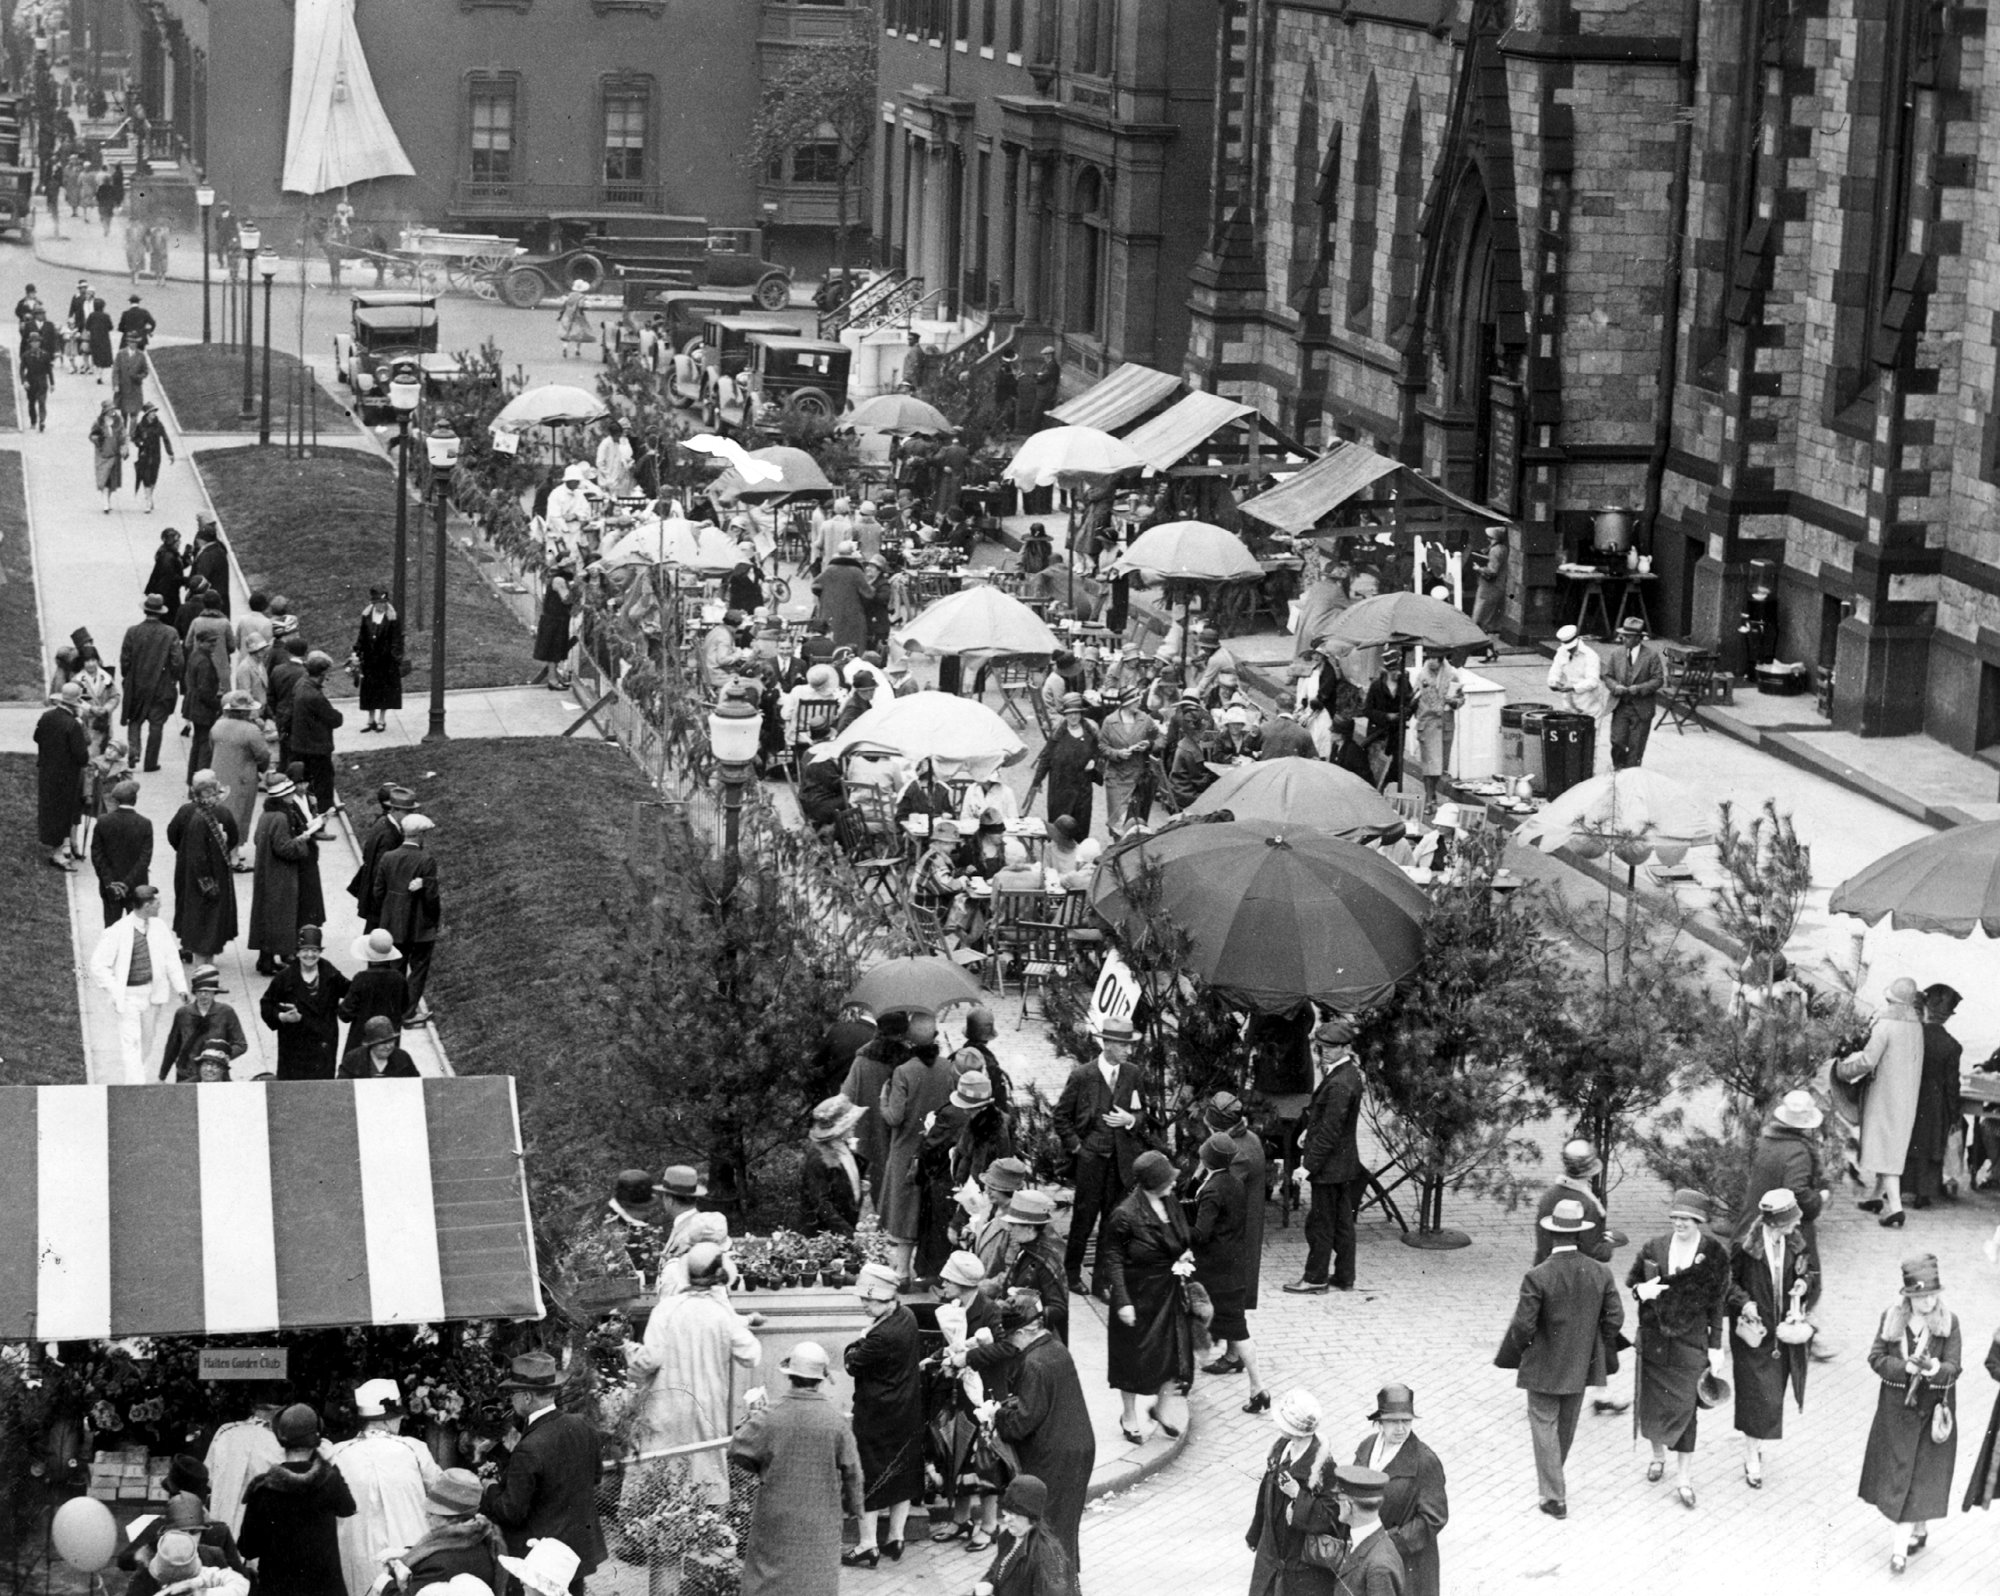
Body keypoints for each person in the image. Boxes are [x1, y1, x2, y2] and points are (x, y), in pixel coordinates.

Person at [1501, 1196, 1626, 1519]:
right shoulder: (1600, 1272)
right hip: (1581, 1365)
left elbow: (1522, 1326)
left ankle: (1554, 1496)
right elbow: (1615, 1318)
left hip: (1543, 1365)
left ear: (1553, 1235)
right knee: (1565, 1428)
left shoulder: (1538, 1276)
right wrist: (1593, 1343)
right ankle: (1553, 1485)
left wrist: (1529, 1347)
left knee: (1543, 1425)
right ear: (1580, 1235)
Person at [624, 1242, 762, 1504]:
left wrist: (629, 1351)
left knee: (663, 1469)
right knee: (704, 1469)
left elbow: (650, 1360)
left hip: (666, 1404)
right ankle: (705, 1531)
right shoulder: (721, 1314)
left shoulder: (665, 1310)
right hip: (705, 1406)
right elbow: (751, 1355)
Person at [728, 1342, 864, 1596]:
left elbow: (737, 1449)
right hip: (821, 1520)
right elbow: (853, 1472)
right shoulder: (835, 1421)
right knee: (816, 1580)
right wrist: (854, 1507)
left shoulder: (771, 1415)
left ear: (790, 1376)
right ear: (821, 1380)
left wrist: (761, 1465)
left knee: (767, 1580)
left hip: (776, 1516)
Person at [1626, 1189, 1729, 1507]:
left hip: (1691, 1344)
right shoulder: (1653, 1248)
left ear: (1699, 1220)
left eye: (1686, 1218)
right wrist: (1642, 1290)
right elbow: (1632, 1283)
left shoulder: (1713, 1254)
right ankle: (1657, 1456)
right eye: (1675, 1217)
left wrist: (1715, 1345)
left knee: (1687, 1410)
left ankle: (1684, 1479)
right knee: (1654, 1406)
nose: (1679, 1223)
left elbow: (1718, 1303)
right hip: (1655, 1341)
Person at [1859, 1252, 1961, 1573]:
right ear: (1908, 1296)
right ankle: (1909, 1539)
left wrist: (1933, 1369)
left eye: (1933, 1294)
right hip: (1897, 1412)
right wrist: (1904, 1367)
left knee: (1922, 1474)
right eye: (1921, 1296)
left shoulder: (1949, 1322)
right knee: (1904, 1473)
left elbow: (1954, 1368)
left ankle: (1907, 1540)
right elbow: (1876, 1358)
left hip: (1931, 1412)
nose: (1929, 1302)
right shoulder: (1891, 1318)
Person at [479, 1351, 609, 1584]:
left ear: (527, 1397)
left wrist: (490, 1487)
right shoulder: (582, 1426)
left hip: (540, 1561)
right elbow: (596, 1477)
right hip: (574, 1553)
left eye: (513, 1394)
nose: (511, 1400)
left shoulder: (529, 1447)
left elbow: (511, 1512)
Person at [988, 1289, 1093, 1568]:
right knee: (1064, 1524)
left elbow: (1024, 1422)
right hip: (1077, 1449)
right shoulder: (1056, 1348)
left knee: (1047, 1525)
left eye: (1011, 1337)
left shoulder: (1034, 1362)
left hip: (1054, 1457)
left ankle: (1055, 1583)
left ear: (1022, 1331)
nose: (1012, 1344)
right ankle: (1063, 1578)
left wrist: (998, 1416)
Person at [1725, 1188, 1818, 1488]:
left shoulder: (1795, 1241)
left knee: (1772, 1393)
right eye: (1789, 1223)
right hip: (1754, 1333)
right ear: (1774, 1224)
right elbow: (1728, 1282)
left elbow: (1808, 1272)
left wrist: (1802, 1286)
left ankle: (1756, 1443)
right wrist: (1744, 1302)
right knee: (1756, 1395)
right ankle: (1752, 1456)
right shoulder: (1745, 1245)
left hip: (1782, 1333)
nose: (1795, 1227)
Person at [1103, 1149, 1194, 1442]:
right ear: (1152, 1183)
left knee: (1173, 1356)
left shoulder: (1170, 1202)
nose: (1173, 1185)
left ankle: (1161, 1409)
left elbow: (1180, 1238)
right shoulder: (1125, 1216)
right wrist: (1122, 1301)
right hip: (1138, 1295)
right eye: (1167, 1180)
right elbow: (1114, 1257)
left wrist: (1184, 1256)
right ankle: (1129, 1416)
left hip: (1167, 1294)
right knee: (1131, 1359)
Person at [1054, 1015, 1147, 1294]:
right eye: (1123, 1046)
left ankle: (1101, 1282)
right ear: (1107, 1044)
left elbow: (1143, 1113)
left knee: (1112, 1222)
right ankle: (1071, 1276)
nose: (1129, 1051)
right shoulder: (1083, 1076)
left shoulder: (1132, 1074)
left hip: (1119, 1163)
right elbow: (1060, 1117)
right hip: (1090, 1161)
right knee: (1083, 1220)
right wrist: (1078, 1148)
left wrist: (1130, 1120)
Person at [841, 1263, 925, 1565]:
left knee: (869, 1475)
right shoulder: (908, 1317)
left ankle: (867, 1544)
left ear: (887, 1299)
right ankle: (896, 1538)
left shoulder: (879, 1337)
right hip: (906, 1411)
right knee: (900, 1474)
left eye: (869, 1300)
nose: (864, 1305)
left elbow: (852, 1362)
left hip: (876, 1415)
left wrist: (861, 1338)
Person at [329, 1378, 437, 1596]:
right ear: (388, 1420)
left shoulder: (337, 1453)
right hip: (410, 1551)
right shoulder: (414, 1449)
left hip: (358, 1556)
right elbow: (438, 1491)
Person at [238, 1404, 356, 1596]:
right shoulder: (329, 1480)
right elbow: (348, 1508)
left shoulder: (263, 1488)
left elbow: (248, 1549)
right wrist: (327, 1463)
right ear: (316, 1438)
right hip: (324, 1590)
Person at [1189, 1130, 1268, 1414]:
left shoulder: (1212, 1190)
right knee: (1236, 1328)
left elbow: (1201, 1233)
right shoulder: (1234, 1182)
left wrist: (1175, 1230)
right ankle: (1257, 1388)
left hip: (1214, 1272)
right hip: (1232, 1266)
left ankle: (1258, 1386)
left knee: (1232, 1328)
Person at [1287, 1016, 1367, 1294]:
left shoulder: (1339, 1082)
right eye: (1322, 1046)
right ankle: (1345, 1276)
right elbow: (1331, 1121)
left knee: (1320, 1225)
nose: (1325, 1052)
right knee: (1343, 1223)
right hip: (1343, 1165)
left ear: (1346, 1048)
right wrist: (1309, 1131)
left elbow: (1332, 1132)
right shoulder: (1345, 1074)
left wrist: (1306, 1167)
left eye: (1332, 1047)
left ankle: (1315, 1277)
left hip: (1329, 1167)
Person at [877, 1012, 957, 1279]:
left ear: (909, 1041)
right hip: (937, 1151)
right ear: (936, 1038)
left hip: (905, 1151)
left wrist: (883, 1100)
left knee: (904, 1214)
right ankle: (926, 1271)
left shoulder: (903, 1072)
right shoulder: (948, 1067)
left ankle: (901, 1272)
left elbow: (894, 1117)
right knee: (926, 1211)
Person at [1852, 976, 1929, 1226]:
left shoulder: (1885, 1026)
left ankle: (1895, 1208)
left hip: (1883, 1095)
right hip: (1907, 1097)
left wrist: (1843, 1068)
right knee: (1890, 1146)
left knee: (1884, 1149)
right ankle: (1876, 1196)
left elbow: (1867, 1060)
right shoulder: (1917, 1026)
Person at [90, 886, 187, 1083]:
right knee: (131, 1041)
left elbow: (171, 959)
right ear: (146, 906)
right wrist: (115, 988)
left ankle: (137, 1075)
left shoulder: (158, 926)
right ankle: (135, 1085)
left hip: (153, 994)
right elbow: (98, 965)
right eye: (156, 903)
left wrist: (181, 988)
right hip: (129, 996)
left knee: (147, 1041)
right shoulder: (118, 930)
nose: (160, 905)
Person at [1245, 1389, 1325, 1596]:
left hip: (1298, 1568)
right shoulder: (1282, 1448)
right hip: (1270, 1553)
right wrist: (1255, 1532)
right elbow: (1266, 1493)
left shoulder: (1322, 1466)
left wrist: (1298, 1495)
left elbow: (1330, 1518)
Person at [248, 771, 325, 973]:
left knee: (267, 918)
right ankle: (267, 962)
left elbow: (258, 840)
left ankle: (266, 959)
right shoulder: (282, 818)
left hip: (267, 873)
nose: (292, 797)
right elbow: (284, 848)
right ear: (283, 797)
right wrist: (302, 841)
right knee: (279, 918)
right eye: (290, 794)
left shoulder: (266, 815)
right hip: (280, 876)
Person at [382, 1470, 506, 1595]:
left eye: (431, 1513)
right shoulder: (481, 1539)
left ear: (450, 1518)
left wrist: (386, 1585)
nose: (426, 1516)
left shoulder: (439, 1566)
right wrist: (410, 1552)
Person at [1291, 1464, 1404, 1596]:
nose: (1337, 1504)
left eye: (1338, 1499)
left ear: (1347, 1505)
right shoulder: (1367, 1543)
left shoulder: (1379, 1567)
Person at [259, 926, 350, 1080]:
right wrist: (282, 1017)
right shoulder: (284, 978)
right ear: (297, 952)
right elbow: (266, 1005)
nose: (309, 955)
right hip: (294, 1046)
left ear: (320, 952)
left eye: (314, 950)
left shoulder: (330, 973)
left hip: (324, 1043)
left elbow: (351, 992)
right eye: (305, 950)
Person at [375, 812, 442, 1025]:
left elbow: (378, 892)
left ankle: (393, 1010)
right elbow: (431, 897)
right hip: (419, 925)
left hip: (392, 923)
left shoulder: (388, 857)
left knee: (395, 968)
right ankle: (408, 1013)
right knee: (418, 969)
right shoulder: (426, 860)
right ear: (420, 835)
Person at [167, 771, 241, 960]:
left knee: (187, 907)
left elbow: (172, 834)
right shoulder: (220, 813)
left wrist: (183, 851)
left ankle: (188, 944)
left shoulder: (185, 811)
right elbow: (233, 838)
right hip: (208, 872)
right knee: (206, 916)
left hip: (186, 868)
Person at [1904, 983, 1964, 1206]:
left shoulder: (1912, 1035)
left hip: (1910, 1093)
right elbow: (1952, 1085)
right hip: (1935, 1100)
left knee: (1909, 1140)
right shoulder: (1952, 1046)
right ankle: (1923, 1192)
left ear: (1926, 1009)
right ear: (1948, 1016)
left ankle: (1902, 1187)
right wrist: (1954, 1114)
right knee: (1931, 1144)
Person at [840, 1009, 908, 1204]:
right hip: (898, 1129)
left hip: (870, 1128)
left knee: (877, 1171)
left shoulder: (862, 1059)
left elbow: (846, 1096)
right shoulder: (907, 1060)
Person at [970, 1474, 1076, 1596]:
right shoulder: (1009, 1537)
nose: (1007, 1519)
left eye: (1014, 1514)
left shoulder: (1046, 1555)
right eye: (1006, 1512)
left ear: (1030, 1515)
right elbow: (996, 1571)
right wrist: (987, 1583)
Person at [1025, 694, 1099, 836]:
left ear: (1081, 713)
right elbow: (1046, 758)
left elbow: (1099, 753)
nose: (1073, 717)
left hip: (1082, 790)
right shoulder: (1058, 734)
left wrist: (1094, 762)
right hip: (1060, 789)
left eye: (1076, 713)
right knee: (1059, 828)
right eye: (1069, 714)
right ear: (1065, 715)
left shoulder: (1090, 732)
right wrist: (1037, 781)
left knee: (1080, 827)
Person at [35, 681, 90, 870]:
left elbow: (37, 737)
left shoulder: (46, 717)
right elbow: (82, 756)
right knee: (63, 812)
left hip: (47, 771)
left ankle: (56, 847)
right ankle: (58, 854)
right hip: (66, 777)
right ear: (74, 705)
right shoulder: (72, 724)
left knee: (49, 809)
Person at [158, 966, 249, 1081]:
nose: (203, 995)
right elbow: (172, 1046)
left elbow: (241, 1044)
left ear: (214, 992)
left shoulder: (226, 1012)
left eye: (207, 991)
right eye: (199, 991)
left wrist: (223, 1055)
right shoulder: (183, 1013)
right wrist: (162, 1076)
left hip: (216, 1074)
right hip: (187, 1073)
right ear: (194, 992)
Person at [209, 692, 270, 854]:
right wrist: (261, 769)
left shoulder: (217, 725)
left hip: (219, 775)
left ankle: (219, 846)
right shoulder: (251, 730)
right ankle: (233, 853)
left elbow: (212, 747)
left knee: (220, 810)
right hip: (243, 777)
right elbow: (263, 755)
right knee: (240, 812)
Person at [349, 784, 417, 929]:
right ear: (394, 810)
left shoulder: (382, 822)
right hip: (382, 904)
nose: (410, 816)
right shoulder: (389, 836)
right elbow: (381, 874)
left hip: (375, 900)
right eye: (407, 812)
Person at [1547, 624, 1612, 774]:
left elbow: (1593, 681)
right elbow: (1554, 672)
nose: (1569, 651)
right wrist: (1553, 682)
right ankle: (1572, 771)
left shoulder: (1590, 655)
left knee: (1590, 740)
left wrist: (1573, 687)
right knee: (1570, 738)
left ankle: (1588, 772)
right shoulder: (1561, 652)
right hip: (1569, 702)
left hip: (1590, 703)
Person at [1602, 615, 1665, 768]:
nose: (1624, 639)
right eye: (1623, 635)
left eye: (1628, 636)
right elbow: (1607, 676)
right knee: (1617, 740)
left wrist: (1639, 689)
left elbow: (1658, 680)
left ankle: (1632, 776)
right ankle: (1618, 768)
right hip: (1621, 706)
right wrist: (1615, 686)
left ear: (1638, 638)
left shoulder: (1651, 656)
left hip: (1641, 708)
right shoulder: (1616, 654)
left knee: (1636, 746)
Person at [798, 1095, 866, 1234]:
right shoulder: (818, 1159)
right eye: (850, 1122)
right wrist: (847, 1233)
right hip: (823, 1236)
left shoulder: (844, 1149)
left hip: (845, 1229)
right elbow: (822, 1205)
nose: (854, 1124)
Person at [342, 929, 412, 1061]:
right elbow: (404, 1007)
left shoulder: (361, 979)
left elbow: (345, 1014)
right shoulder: (399, 978)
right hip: (389, 1042)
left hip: (362, 1043)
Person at [1097, 688, 1159, 837]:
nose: (1139, 703)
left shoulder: (1145, 719)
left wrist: (1149, 744)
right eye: (1135, 700)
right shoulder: (1110, 721)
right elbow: (1102, 746)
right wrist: (1117, 754)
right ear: (1126, 703)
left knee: (1135, 822)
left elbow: (1160, 738)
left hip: (1137, 778)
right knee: (1117, 820)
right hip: (1116, 778)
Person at [90, 777, 152, 925]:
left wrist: (111, 883)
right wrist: (126, 884)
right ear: (134, 800)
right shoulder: (145, 824)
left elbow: (97, 856)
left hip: (110, 887)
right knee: (137, 929)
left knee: (111, 929)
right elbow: (145, 858)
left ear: (116, 800)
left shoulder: (103, 821)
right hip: (136, 886)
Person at [290, 652, 345, 815]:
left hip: (301, 741)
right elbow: (335, 719)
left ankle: (310, 809)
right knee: (324, 779)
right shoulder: (314, 696)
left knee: (306, 779)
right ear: (322, 674)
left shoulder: (301, 684)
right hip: (317, 745)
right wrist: (338, 714)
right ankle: (325, 810)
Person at [1409, 652, 1464, 814]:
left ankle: (1433, 795)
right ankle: (1429, 797)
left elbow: (1461, 699)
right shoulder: (1422, 676)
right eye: (1429, 658)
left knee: (1439, 766)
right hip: (1428, 724)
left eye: (1435, 658)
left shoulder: (1452, 675)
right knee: (1429, 765)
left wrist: (1452, 701)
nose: (1432, 662)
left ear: (1441, 660)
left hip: (1445, 724)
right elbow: (1413, 698)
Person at [351, 586, 405, 733]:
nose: (381, 606)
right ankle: (370, 719)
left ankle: (382, 719)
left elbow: (397, 639)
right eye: (378, 603)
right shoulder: (367, 616)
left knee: (384, 690)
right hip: (369, 660)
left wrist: (395, 657)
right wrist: (357, 651)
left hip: (385, 661)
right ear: (373, 603)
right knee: (369, 689)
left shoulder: (392, 617)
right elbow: (362, 635)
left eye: (384, 603)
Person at [1362, 649, 1414, 790]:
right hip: (1378, 734)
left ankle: (1394, 797)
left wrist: (1405, 712)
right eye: (1394, 670)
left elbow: (1410, 704)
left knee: (1395, 770)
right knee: (1376, 770)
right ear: (1387, 670)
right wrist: (1386, 716)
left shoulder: (1404, 684)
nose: (1398, 673)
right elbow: (1367, 710)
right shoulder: (1376, 686)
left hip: (1396, 735)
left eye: (1399, 670)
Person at [814, 541, 874, 653]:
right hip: (852, 616)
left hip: (830, 613)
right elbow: (869, 594)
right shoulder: (856, 572)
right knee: (852, 646)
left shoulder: (829, 570)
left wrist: (826, 597)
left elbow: (815, 586)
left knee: (832, 644)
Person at [533, 565, 575, 691]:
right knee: (554, 651)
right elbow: (567, 599)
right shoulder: (559, 580)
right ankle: (552, 680)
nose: (574, 568)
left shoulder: (558, 579)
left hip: (557, 619)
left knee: (556, 651)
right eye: (572, 565)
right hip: (555, 620)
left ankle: (555, 677)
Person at [340, 1015, 420, 1078]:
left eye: (391, 1041)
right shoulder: (352, 1059)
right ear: (372, 1044)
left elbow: (417, 1086)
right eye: (383, 1043)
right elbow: (342, 1090)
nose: (388, 1046)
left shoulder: (403, 1058)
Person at [555, 279, 594, 357]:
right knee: (579, 333)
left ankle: (565, 348)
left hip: (567, 315)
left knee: (567, 333)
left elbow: (564, 305)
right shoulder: (582, 297)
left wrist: (561, 314)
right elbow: (580, 306)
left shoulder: (570, 295)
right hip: (577, 316)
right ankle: (577, 350)